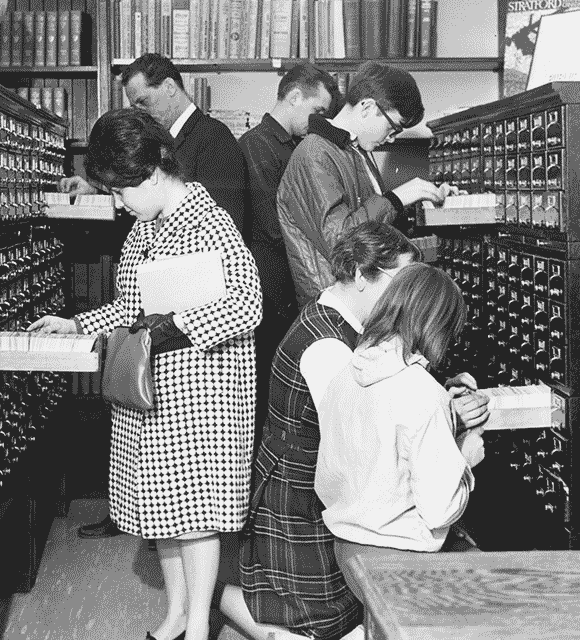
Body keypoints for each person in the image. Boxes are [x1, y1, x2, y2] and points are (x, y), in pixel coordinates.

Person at [28, 108, 262, 640]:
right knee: (161, 512)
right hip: (151, 393)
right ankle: (175, 616)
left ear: (157, 170)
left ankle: (201, 634)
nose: (121, 203)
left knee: (197, 518)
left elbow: (247, 303)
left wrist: (167, 328)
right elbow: (132, 310)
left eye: (125, 190)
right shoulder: (146, 225)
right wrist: (79, 324)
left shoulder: (209, 221)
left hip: (204, 392)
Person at [208, 223, 486, 640]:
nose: (403, 298)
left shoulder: (353, 341)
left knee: (381, 631)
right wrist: (453, 440)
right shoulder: (328, 344)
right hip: (306, 512)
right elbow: (372, 441)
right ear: (360, 274)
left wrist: (436, 396)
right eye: (398, 284)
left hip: (339, 514)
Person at [276, 59, 454, 307]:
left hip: (362, 301)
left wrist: (427, 204)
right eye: (393, 128)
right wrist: (396, 198)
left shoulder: (355, 150)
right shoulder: (314, 153)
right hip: (335, 307)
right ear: (368, 107)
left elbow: (372, 223)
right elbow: (342, 243)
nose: (391, 139)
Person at [239, 64, 339, 451]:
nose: (320, 123)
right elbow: (274, 225)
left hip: (294, 287)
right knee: (275, 401)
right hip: (274, 291)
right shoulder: (256, 145)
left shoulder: (298, 147)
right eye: (317, 112)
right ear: (294, 97)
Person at [60, 52, 248, 241]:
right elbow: (145, 208)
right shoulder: (160, 139)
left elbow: (225, 229)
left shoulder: (214, 137)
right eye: (134, 107)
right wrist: (95, 195)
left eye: (143, 102)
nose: (139, 114)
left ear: (169, 87)